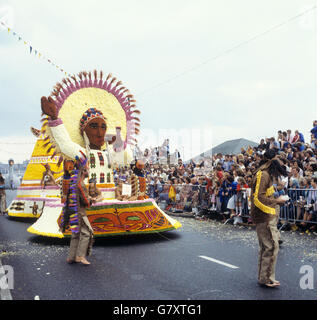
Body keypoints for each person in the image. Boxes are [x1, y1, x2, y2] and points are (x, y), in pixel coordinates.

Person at [250, 149, 288, 288]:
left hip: (264, 214)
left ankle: (264, 278)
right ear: (272, 160)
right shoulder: (263, 174)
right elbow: (258, 197)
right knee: (271, 246)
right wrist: (277, 201)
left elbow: (265, 192)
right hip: (264, 215)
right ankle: (266, 279)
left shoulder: (264, 174)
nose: (281, 161)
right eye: (279, 158)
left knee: (267, 246)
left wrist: (277, 190)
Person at [59, 157, 96, 265]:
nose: (88, 171)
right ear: (83, 171)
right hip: (80, 213)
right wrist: (91, 200)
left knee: (75, 234)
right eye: (87, 169)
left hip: (72, 212)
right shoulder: (81, 185)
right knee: (87, 233)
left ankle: (71, 257)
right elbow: (86, 202)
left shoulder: (74, 183)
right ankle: (80, 256)